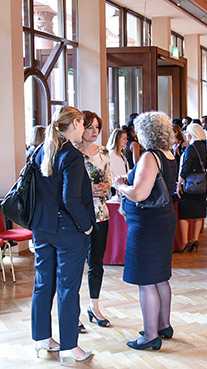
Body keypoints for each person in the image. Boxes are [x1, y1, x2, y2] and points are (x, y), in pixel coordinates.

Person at [30, 105, 95, 364]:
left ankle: (42, 338)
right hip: (67, 230)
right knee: (68, 288)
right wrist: (87, 226)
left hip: (41, 227)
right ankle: (71, 346)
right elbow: (71, 199)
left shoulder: (40, 150)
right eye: (83, 123)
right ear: (76, 123)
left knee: (43, 283)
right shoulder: (71, 155)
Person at [113, 112, 178, 350]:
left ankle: (150, 335)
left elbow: (140, 194)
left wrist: (121, 186)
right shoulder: (169, 154)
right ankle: (163, 325)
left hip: (148, 224)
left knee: (147, 281)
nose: (135, 135)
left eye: (138, 131)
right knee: (160, 276)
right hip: (163, 219)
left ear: (146, 133)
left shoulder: (151, 156)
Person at [76, 111, 112, 332]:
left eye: (97, 127)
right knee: (75, 265)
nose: (94, 131)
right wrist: (88, 189)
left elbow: (108, 176)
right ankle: (73, 313)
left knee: (96, 263)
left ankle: (94, 306)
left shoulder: (104, 152)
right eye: (90, 127)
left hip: (101, 212)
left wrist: (106, 186)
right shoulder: (73, 154)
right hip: (79, 214)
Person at [176, 123, 207, 253]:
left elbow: (186, 167)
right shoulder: (203, 147)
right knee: (198, 213)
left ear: (191, 133)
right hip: (201, 183)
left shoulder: (191, 148)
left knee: (184, 214)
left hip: (190, 184)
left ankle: (184, 242)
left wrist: (179, 182)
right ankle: (195, 239)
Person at [107, 128, 129, 196]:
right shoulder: (111, 155)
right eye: (124, 138)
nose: (126, 141)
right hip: (116, 188)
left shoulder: (122, 155)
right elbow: (110, 173)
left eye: (126, 138)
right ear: (117, 139)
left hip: (123, 187)